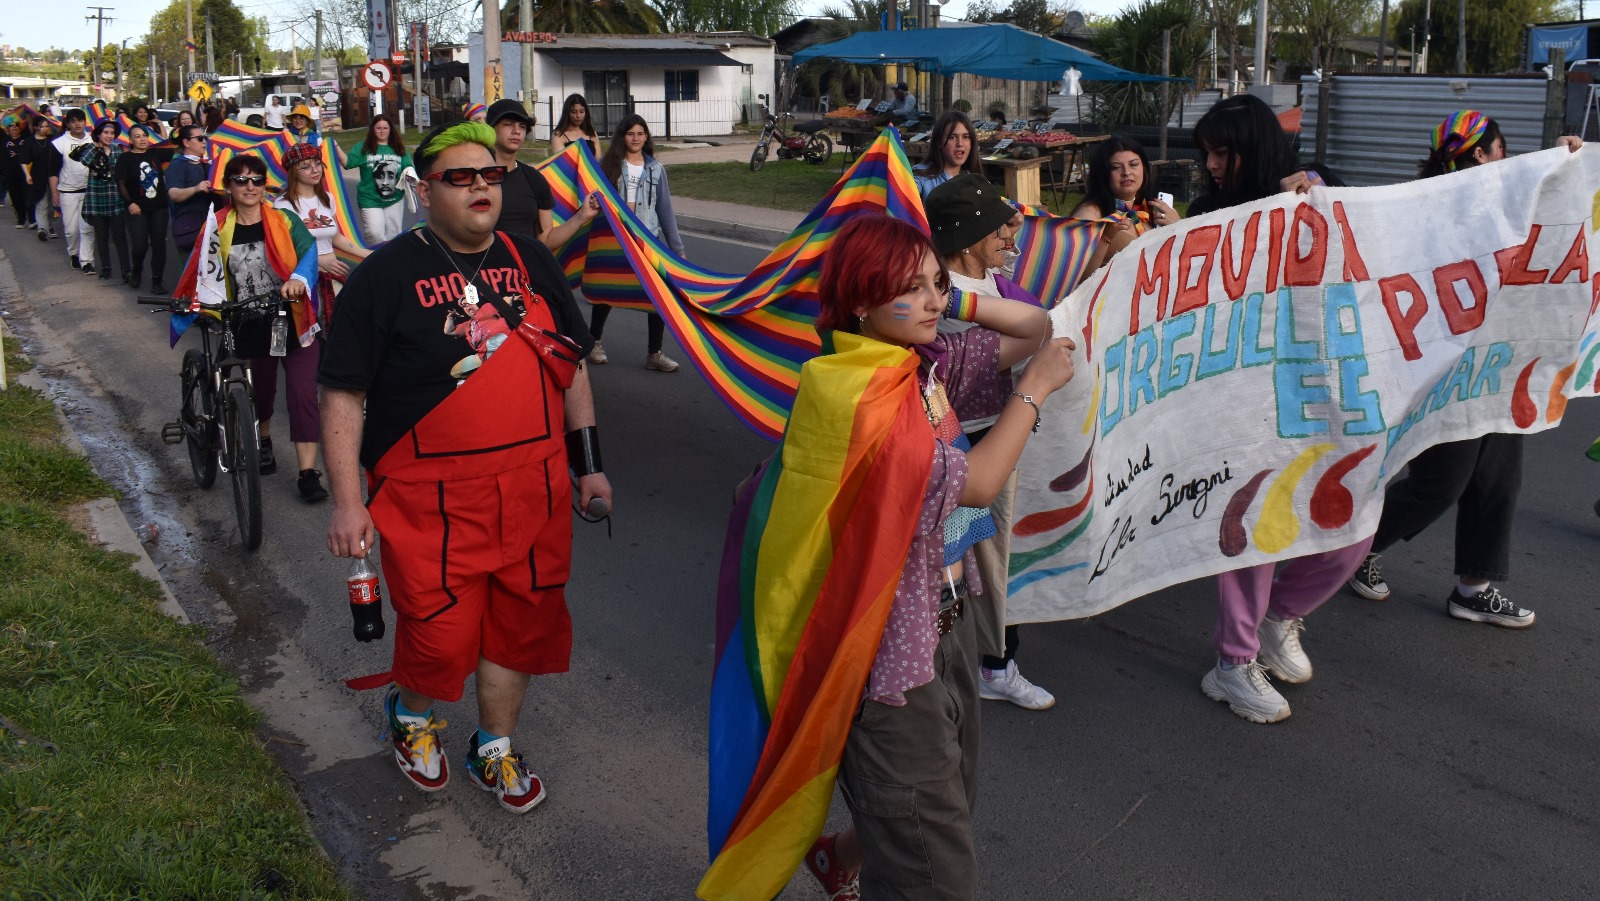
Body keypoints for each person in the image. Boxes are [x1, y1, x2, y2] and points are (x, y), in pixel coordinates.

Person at [767, 214, 1073, 901]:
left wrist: (946, 296)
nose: (935, 302)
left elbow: (1035, 326)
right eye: (913, 289)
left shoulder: (919, 364)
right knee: (938, 870)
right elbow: (981, 482)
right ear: (859, 299)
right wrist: (1034, 391)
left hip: (946, 620)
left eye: (939, 284)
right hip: (887, 660)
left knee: (945, 800)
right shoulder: (856, 399)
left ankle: (841, 854)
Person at [319, 120, 612, 815]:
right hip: (431, 499)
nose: (482, 184)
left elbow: (568, 365)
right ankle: (412, 714)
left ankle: (494, 746)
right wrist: (347, 500)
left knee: (522, 626)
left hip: (536, 489)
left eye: (491, 174)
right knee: (441, 632)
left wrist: (589, 462)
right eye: (461, 176)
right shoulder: (385, 274)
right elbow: (344, 391)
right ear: (425, 192)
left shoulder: (530, 258)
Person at [1345, 111, 1582, 628]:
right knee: (1442, 481)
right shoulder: (1433, 209)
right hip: (1451, 366)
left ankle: (1474, 586)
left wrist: (1572, 161)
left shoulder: (1513, 197)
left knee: (1498, 479)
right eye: (1502, 148)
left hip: (1501, 362)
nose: (1509, 156)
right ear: (1480, 154)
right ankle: (1350, 548)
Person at [1187, 93, 1372, 724]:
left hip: (1322, 388)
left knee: (1356, 517)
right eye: (1206, 152)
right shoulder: (1207, 211)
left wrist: (1316, 193)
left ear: (1256, 147)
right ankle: (1233, 664)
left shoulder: (1322, 188)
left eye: (1222, 151)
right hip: (1241, 396)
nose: (1211, 164)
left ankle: (1280, 619)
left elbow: (1392, 229)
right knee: (1252, 522)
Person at [919, 173, 1057, 713]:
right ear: (969, 235)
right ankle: (988, 664)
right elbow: (1038, 326)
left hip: (996, 435)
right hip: (967, 447)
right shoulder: (949, 310)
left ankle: (971, 659)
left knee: (986, 557)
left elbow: (1044, 316)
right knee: (979, 559)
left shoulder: (990, 286)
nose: (1010, 233)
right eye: (997, 226)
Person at [181, 153, 319, 485]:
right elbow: (202, 271)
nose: (250, 186)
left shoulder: (284, 219)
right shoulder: (218, 227)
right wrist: (200, 304)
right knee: (263, 393)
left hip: (292, 320)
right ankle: (264, 438)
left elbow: (309, 251)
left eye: (257, 179)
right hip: (247, 325)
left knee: (302, 396)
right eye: (241, 180)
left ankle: (308, 472)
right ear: (228, 186)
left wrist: (299, 278)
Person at [263, 141, 363, 500]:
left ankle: (338, 415)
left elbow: (335, 238)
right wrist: (319, 264)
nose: (315, 170)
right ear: (292, 172)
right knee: (280, 370)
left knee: (337, 352)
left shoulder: (326, 201)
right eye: (306, 166)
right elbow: (285, 253)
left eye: (317, 164)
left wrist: (368, 254)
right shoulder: (282, 206)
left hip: (333, 285)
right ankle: (266, 433)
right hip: (301, 289)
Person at [591, 114, 682, 372]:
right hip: (615, 239)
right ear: (623, 136)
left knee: (657, 296)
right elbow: (592, 199)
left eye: (640, 133)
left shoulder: (655, 169)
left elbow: (665, 211)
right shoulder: (607, 165)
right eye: (630, 133)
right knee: (606, 293)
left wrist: (678, 251)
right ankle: (593, 342)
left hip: (646, 242)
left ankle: (654, 353)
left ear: (646, 137)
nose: (635, 138)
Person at [484, 99, 602, 255]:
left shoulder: (534, 179)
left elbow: (545, 241)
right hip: (479, 272)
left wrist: (582, 215)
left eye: (522, 126)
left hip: (524, 272)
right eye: (508, 124)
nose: (516, 131)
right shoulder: (473, 177)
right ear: (491, 128)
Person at [116, 123, 170, 293]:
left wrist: (161, 125)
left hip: (159, 207)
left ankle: (157, 281)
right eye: (137, 136)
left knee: (159, 244)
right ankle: (137, 269)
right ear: (130, 140)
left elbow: (174, 145)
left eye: (145, 135)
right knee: (140, 246)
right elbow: (121, 183)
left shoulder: (155, 154)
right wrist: (129, 203)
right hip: (137, 208)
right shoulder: (125, 159)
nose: (142, 139)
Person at [344, 114, 412, 243]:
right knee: (375, 234)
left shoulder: (398, 149)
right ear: (372, 130)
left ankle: (390, 261)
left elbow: (408, 168)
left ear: (390, 129)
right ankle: (373, 257)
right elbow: (347, 163)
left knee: (394, 237)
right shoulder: (363, 148)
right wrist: (334, 147)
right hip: (370, 199)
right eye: (378, 128)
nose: (382, 131)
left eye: (385, 128)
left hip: (395, 199)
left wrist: (411, 177)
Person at [79, 119, 131, 283]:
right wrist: (97, 147)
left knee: (120, 238)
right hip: (96, 201)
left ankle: (125, 270)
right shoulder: (90, 149)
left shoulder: (119, 150)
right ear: (98, 134)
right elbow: (84, 160)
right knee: (101, 238)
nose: (109, 136)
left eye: (112, 133)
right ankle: (106, 268)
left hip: (115, 201)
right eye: (106, 133)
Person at [49, 109, 95, 272]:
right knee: (71, 230)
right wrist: (55, 192)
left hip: (89, 192)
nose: (77, 124)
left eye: (80, 120)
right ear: (68, 124)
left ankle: (87, 261)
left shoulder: (93, 140)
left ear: (85, 122)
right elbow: (53, 171)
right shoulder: (59, 143)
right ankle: (74, 253)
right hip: (67, 192)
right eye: (74, 121)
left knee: (88, 228)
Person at [166, 125, 222, 260]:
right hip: (190, 229)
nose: (204, 141)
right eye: (200, 138)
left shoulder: (209, 164)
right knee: (191, 275)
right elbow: (174, 194)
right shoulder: (177, 165)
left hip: (212, 228)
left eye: (205, 138)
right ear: (186, 142)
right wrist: (196, 188)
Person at [912, 109, 981, 198]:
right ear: (939, 142)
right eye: (952, 137)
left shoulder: (975, 181)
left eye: (966, 137)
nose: (960, 144)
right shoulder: (920, 175)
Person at [21, 116, 59, 242]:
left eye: (46, 126)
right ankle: (42, 229)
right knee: (41, 203)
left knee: (53, 204)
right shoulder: (29, 142)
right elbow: (23, 161)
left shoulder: (52, 140)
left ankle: (50, 226)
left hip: (53, 175)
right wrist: (27, 175)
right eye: (42, 126)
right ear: (36, 127)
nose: (45, 129)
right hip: (38, 176)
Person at [548, 94, 600, 158]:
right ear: (567, 113)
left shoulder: (592, 134)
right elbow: (561, 163)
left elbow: (598, 162)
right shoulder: (559, 135)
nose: (578, 116)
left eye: (581, 111)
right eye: (574, 112)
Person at [1, 115, 29, 229]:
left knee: (27, 196)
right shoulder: (3, 139)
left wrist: (22, 114)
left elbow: (30, 124)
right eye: (11, 126)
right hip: (10, 174)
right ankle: (21, 220)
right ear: (7, 129)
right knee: (16, 197)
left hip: (26, 173)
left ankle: (32, 219)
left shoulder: (26, 137)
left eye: (16, 125)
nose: (14, 127)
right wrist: (3, 115)